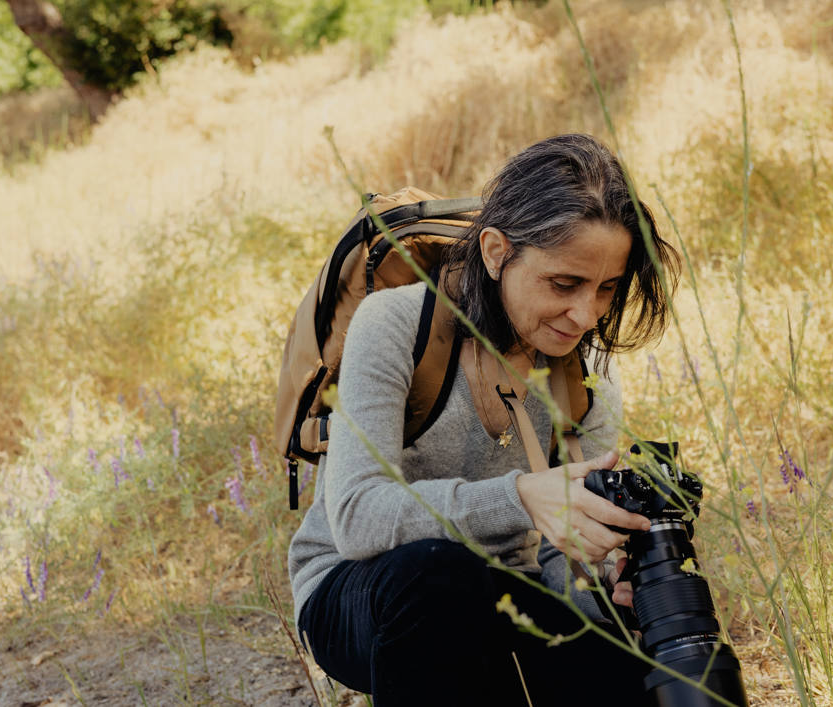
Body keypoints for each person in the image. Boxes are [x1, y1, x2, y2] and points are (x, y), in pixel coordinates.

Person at [287, 133, 681, 706]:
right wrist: (521, 497)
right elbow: (355, 516)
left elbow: (557, 561)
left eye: (607, 288)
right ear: (496, 252)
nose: (585, 314)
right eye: (565, 283)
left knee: (640, 671)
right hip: (362, 586)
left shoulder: (585, 368)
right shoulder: (393, 324)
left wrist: (607, 588)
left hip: (505, 589)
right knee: (441, 577)